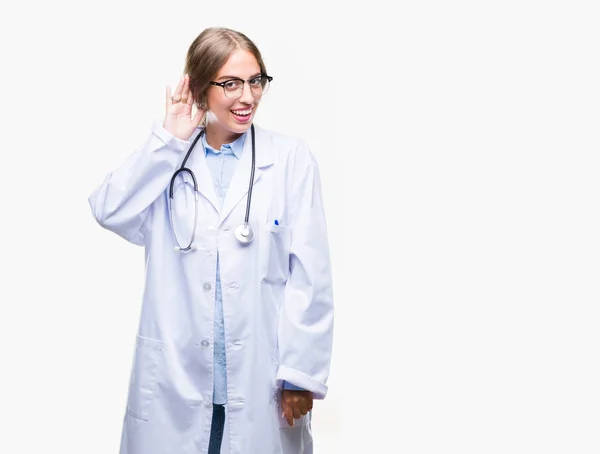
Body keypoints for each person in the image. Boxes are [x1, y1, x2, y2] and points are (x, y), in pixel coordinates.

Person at [88, 27, 334, 454]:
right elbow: (109, 210)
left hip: (262, 380)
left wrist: (300, 372)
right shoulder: (169, 159)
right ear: (201, 87)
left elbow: (310, 274)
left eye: (256, 81)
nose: (248, 97)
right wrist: (167, 140)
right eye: (231, 83)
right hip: (174, 381)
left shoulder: (291, 159)